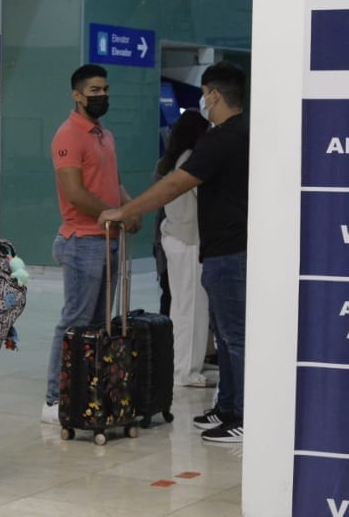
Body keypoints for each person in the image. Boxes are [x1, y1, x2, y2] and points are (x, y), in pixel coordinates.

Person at [100, 61, 248, 443]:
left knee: (233, 337)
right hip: (228, 248)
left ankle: (242, 415)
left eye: (204, 95)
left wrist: (126, 209)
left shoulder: (221, 138)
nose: (203, 101)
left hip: (228, 251)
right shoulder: (248, 133)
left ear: (213, 95)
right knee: (227, 333)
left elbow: (174, 186)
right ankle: (228, 406)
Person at [41, 64, 140, 425]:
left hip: (108, 240)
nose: (102, 95)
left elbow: (111, 181)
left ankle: (87, 393)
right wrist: (117, 214)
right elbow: (75, 193)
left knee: (100, 325)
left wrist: (130, 208)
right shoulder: (68, 135)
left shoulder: (104, 134)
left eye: (106, 89)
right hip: (82, 241)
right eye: (95, 90)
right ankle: (55, 399)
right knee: (75, 322)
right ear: (77, 95)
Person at [156, 109, 213, 388]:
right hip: (189, 240)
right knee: (192, 308)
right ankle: (186, 371)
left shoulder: (172, 160)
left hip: (175, 238)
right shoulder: (191, 160)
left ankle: (181, 365)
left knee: (181, 306)